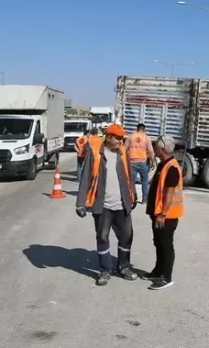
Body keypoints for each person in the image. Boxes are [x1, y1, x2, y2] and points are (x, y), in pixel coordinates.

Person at [76, 124, 138, 286]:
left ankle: (123, 267)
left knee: (126, 237)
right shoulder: (96, 152)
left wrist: (133, 196)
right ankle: (105, 270)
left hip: (122, 204)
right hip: (102, 206)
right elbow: (85, 178)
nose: (120, 141)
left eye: (122, 138)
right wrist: (80, 203)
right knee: (102, 237)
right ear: (108, 137)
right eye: (117, 137)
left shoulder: (123, 152)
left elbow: (129, 176)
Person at [145, 134, 183, 290]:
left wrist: (162, 214)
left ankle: (166, 277)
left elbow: (169, 193)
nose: (153, 148)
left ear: (162, 148)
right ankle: (158, 271)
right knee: (158, 243)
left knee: (166, 245)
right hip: (158, 213)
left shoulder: (172, 167)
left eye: (155, 145)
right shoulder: (163, 164)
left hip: (167, 216)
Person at [124, 123, 155, 200]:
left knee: (132, 181)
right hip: (143, 162)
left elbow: (124, 149)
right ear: (144, 129)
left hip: (132, 162)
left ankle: (133, 197)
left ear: (137, 128)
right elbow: (151, 150)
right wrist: (153, 161)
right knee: (144, 181)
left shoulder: (130, 137)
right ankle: (144, 198)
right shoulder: (147, 138)